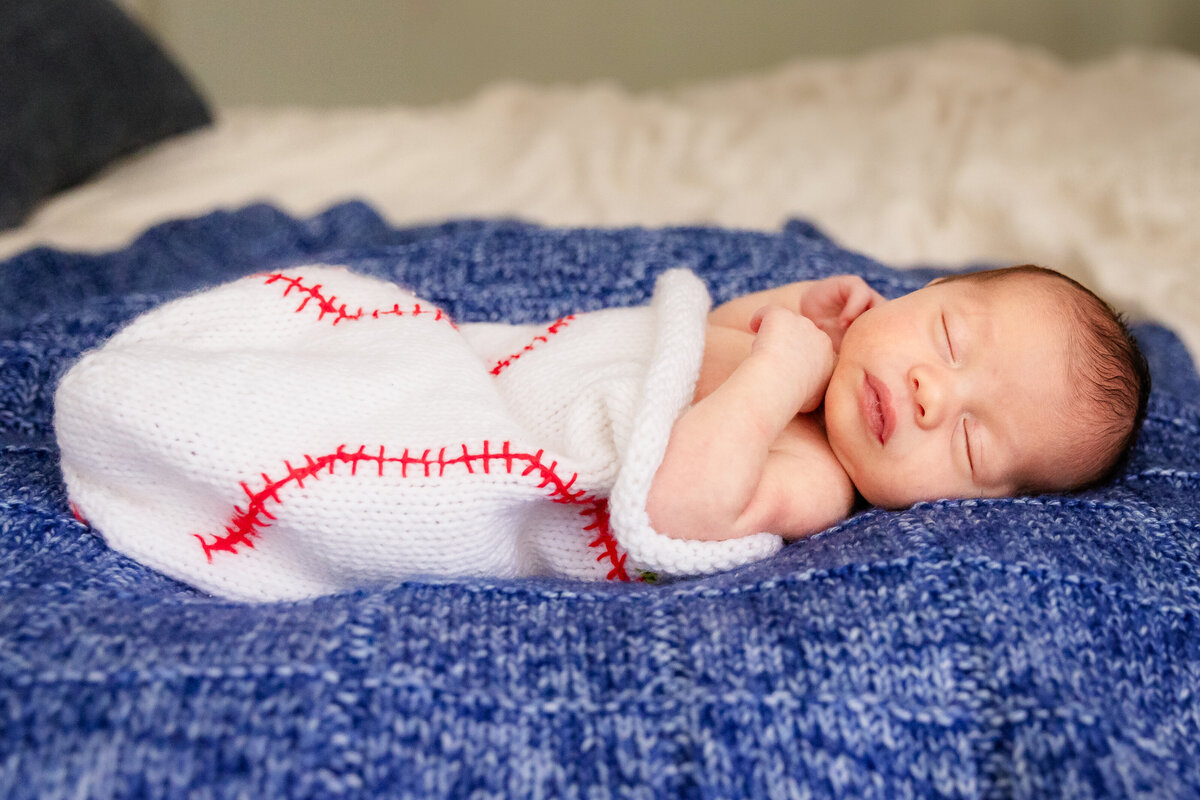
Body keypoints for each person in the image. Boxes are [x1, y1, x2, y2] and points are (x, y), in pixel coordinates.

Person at [648, 265, 1151, 542]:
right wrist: (797, 309)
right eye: (950, 339)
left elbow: (673, 510)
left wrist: (778, 371)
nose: (932, 395)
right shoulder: (828, 348)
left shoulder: (817, 479)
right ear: (920, 292)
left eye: (971, 442)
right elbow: (706, 336)